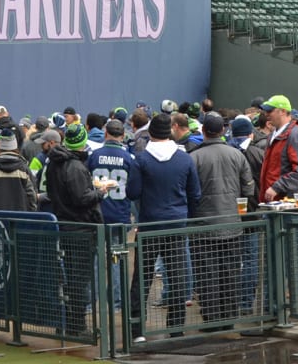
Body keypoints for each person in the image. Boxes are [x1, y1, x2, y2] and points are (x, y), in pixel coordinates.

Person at [128, 112, 200, 338]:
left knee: (142, 278)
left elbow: (132, 192)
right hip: (176, 224)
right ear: (170, 131)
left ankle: (136, 329)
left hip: (149, 224)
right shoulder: (184, 158)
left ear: (150, 133)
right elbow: (195, 193)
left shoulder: (141, 159)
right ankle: (176, 328)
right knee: (178, 278)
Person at [46, 123, 115, 338]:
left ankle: (70, 322)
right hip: (80, 228)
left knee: (72, 278)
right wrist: (101, 192)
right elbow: (81, 199)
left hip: (65, 224)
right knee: (79, 279)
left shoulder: (54, 163)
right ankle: (77, 326)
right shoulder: (74, 166)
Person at [190, 112, 254, 325]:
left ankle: (211, 319)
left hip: (203, 226)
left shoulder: (194, 157)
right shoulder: (237, 155)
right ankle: (229, 316)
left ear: (203, 131)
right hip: (232, 224)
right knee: (231, 272)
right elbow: (249, 188)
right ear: (224, 130)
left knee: (207, 274)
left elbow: (190, 193)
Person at [88, 117, 135, 307]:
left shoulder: (94, 155)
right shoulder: (129, 158)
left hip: (98, 212)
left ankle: (92, 302)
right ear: (123, 136)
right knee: (116, 258)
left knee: (96, 258)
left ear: (106, 133)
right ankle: (116, 301)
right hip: (119, 214)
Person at [256, 95, 298, 205]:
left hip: (290, 204)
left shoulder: (295, 134)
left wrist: (277, 187)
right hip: (276, 202)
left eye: (270, 110)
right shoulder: (274, 134)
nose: (266, 114)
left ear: (282, 111)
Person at [0, 129, 38, 212]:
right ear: (15, 148)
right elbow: (32, 195)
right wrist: (32, 213)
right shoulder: (24, 168)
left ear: (0, 147)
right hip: (19, 217)